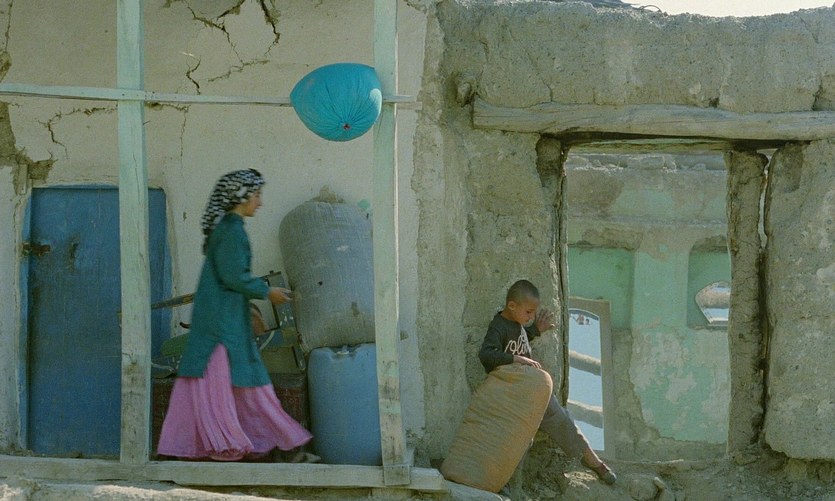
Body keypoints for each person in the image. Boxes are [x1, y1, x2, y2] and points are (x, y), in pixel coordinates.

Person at [158, 168, 314, 462]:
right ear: (241, 197)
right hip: (220, 324)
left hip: (221, 317)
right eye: (257, 195)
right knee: (234, 381)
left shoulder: (228, 229)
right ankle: (246, 443)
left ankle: (238, 442)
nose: (260, 202)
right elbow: (233, 277)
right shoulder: (231, 232)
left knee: (227, 381)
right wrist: (267, 292)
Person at [479, 279, 616, 485]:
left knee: (562, 418)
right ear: (512, 306)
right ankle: (503, 486)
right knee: (515, 442)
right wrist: (517, 359)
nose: (531, 317)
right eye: (528, 312)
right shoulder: (498, 326)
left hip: (530, 390)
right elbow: (486, 354)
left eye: (533, 313)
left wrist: (535, 330)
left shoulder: (517, 324)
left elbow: (518, 340)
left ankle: (593, 461)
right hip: (511, 394)